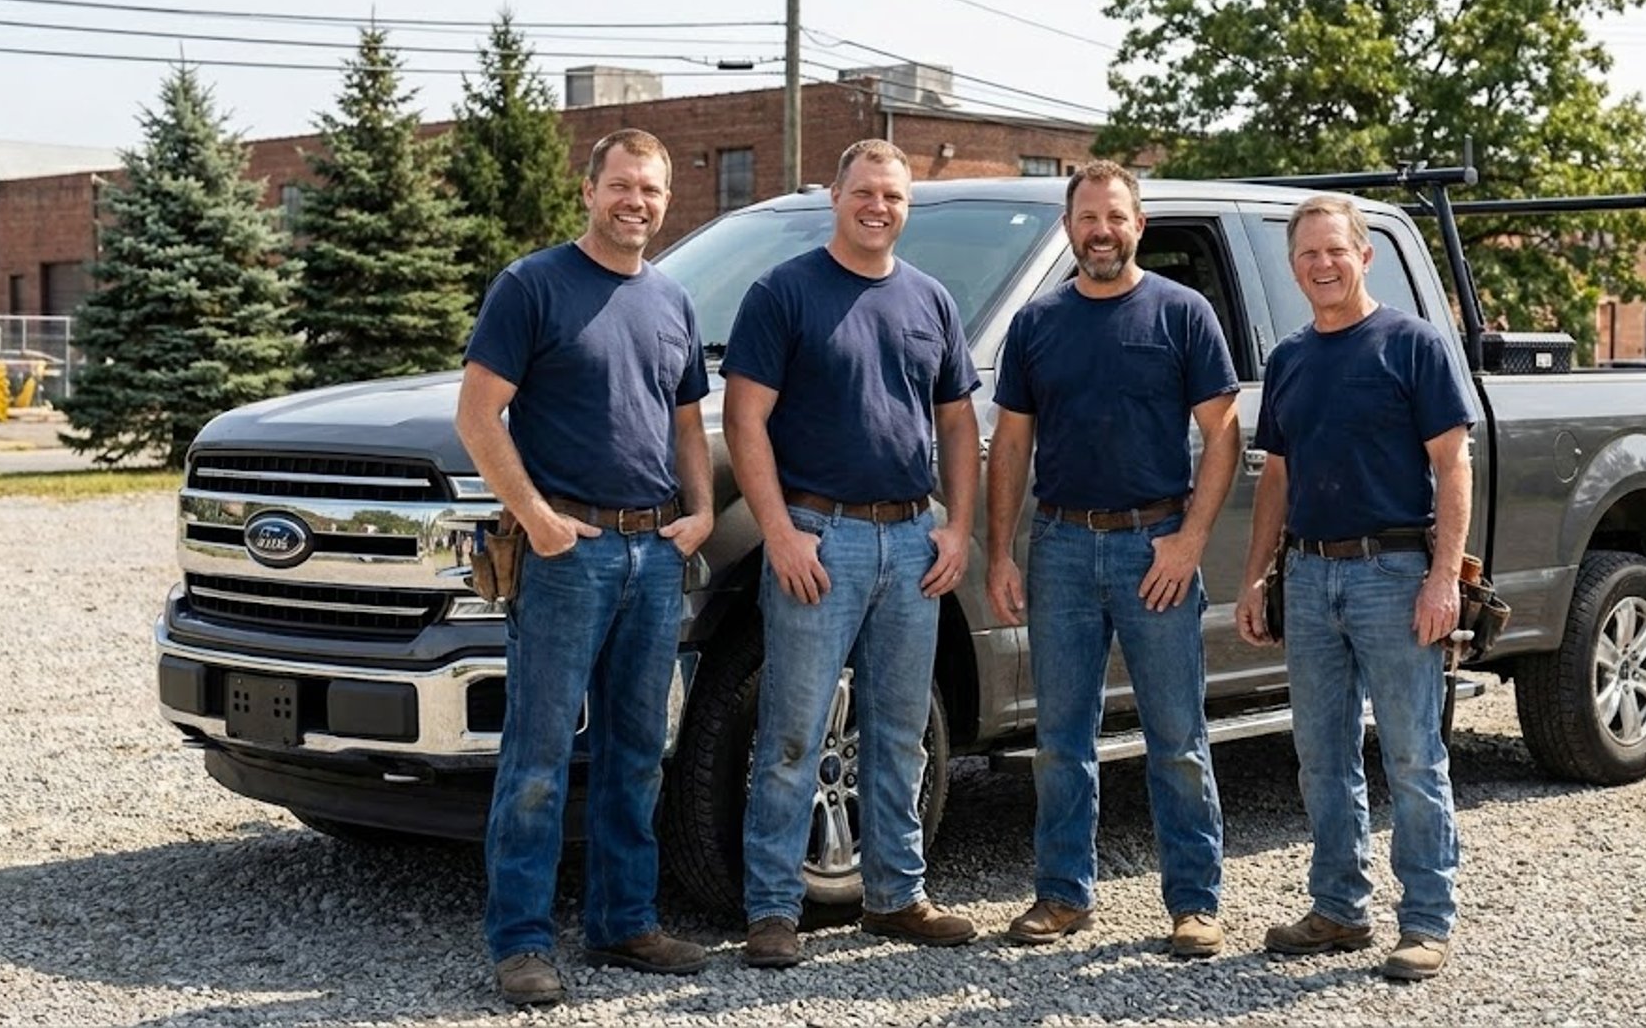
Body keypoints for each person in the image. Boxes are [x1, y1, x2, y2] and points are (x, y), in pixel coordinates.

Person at [457, 128, 715, 1006]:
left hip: (654, 555)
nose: (633, 202)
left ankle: (623, 921)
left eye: (648, 189)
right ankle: (522, 941)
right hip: (569, 557)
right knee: (536, 756)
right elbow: (478, 414)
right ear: (588, 190)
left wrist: (703, 513)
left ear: (665, 199)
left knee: (639, 751)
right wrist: (536, 520)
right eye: (619, 186)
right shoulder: (532, 286)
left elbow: (686, 425)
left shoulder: (673, 301)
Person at [722, 138, 983, 968]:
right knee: (793, 731)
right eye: (865, 192)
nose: (879, 207)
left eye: (895, 197)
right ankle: (771, 910)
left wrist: (959, 527)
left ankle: (896, 896)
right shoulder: (784, 293)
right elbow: (744, 419)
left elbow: (957, 424)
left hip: (913, 539)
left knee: (901, 732)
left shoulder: (930, 300)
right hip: (819, 540)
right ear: (835, 196)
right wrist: (780, 531)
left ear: (909, 207)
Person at [985, 160, 1239, 958]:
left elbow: (1223, 434)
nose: (1101, 231)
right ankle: (1062, 894)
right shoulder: (1036, 324)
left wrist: (1190, 540)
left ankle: (1195, 902)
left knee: (1176, 735)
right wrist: (1001, 552)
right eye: (1087, 218)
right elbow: (1013, 444)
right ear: (1070, 229)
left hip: (1154, 545)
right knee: (1061, 738)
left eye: (1115, 217)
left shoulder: (1182, 314)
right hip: (1059, 545)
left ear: (1139, 224)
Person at [1234, 194, 1478, 981]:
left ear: (1363, 255)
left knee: (1412, 754)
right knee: (1321, 754)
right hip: (1308, 577)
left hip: (1393, 574)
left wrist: (1444, 577)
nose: (1322, 265)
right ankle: (1339, 910)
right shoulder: (1291, 359)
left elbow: (1453, 464)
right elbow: (1278, 472)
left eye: (1335, 250)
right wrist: (1257, 574)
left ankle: (1426, 921)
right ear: (1294, 265)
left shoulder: (1411, 345)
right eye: (1308, 254)